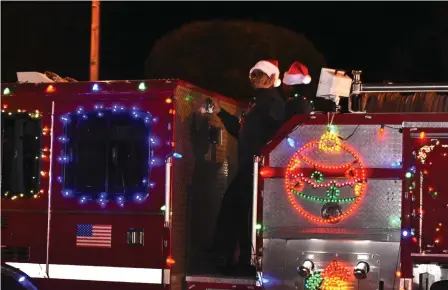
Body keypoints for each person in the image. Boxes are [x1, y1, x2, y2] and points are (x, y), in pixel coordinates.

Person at [208, 59, 285, 276]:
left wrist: (264, 159)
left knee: (240, 214)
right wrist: (221, 113)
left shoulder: (270, 103)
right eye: (253, 74)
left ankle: (241, 262)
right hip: (250, 168)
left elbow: (276, 135)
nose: (255, 78)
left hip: (256, 169)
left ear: (271, 79)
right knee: (238, 212)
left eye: (260, 74)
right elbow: (244, 133)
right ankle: (236, 260)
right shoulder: (258, 102)